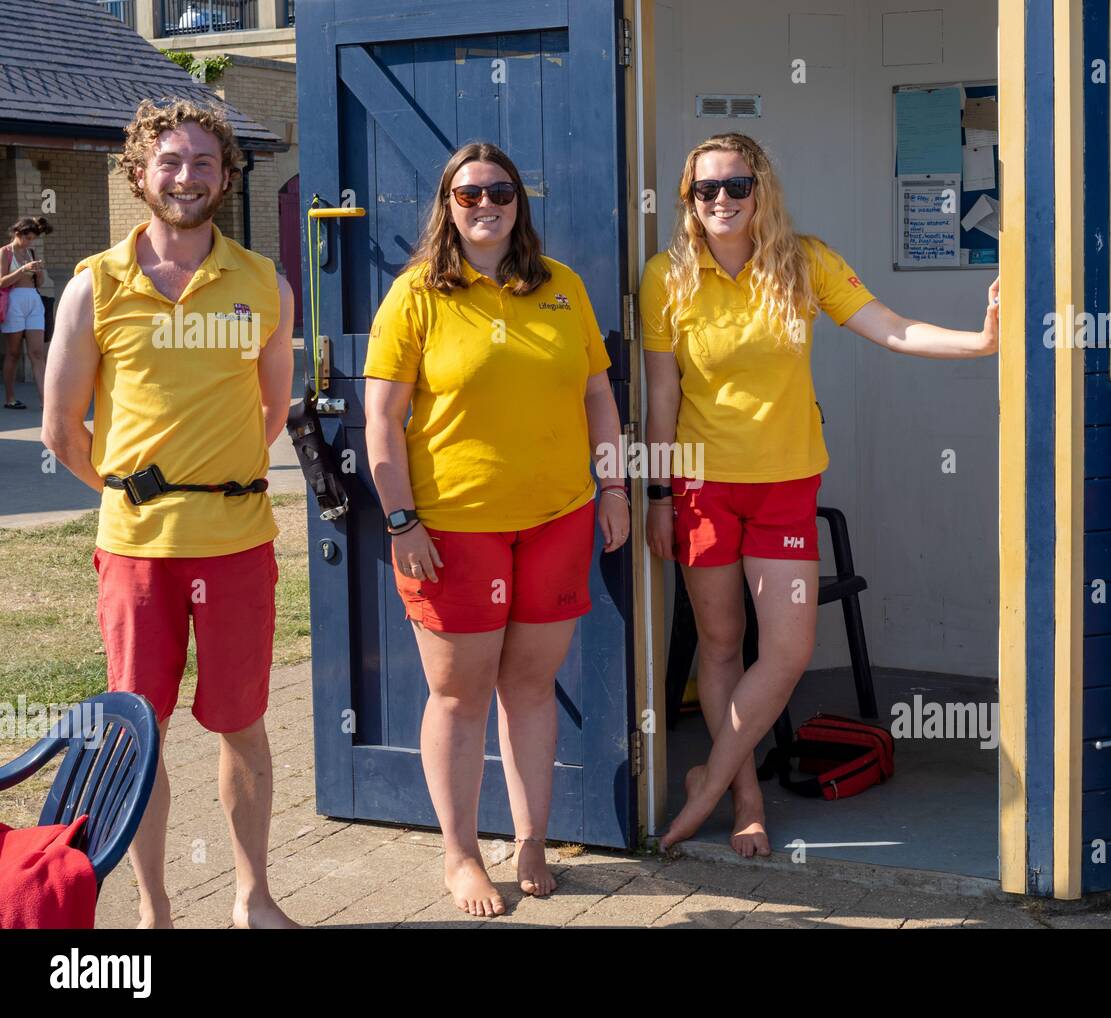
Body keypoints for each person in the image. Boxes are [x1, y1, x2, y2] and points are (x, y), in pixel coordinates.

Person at [641, 132, 999, 855]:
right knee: (719, 645)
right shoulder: (667, 274)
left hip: (784, 487)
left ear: (760, 188)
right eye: (703, 189)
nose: (719, 201)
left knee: (788, 650)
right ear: (688, 200)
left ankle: (707, 781)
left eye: (734, 185)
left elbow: (892, 329)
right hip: (702, 488)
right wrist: (655, 493)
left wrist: (980, 341)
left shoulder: (804, 263)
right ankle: (745, 799)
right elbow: (660, 391)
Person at [41, 99, 298, 928]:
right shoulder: (95, 284)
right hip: (137, 552)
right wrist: (133, 498)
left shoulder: (265, 284)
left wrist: (213, 485)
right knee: (135, 738)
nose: (186, 177)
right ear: (139, 172)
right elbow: (61, 428)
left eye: (202, 163)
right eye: (170, 161)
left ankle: (253, 897)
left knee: (245, 727)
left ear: (225, 176)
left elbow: (269, 413)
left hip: (237, 547)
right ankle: (155, 910)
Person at [364, 141, 629, 918]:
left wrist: (613, 485)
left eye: (501, 193)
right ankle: (460, 855)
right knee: (459, 694)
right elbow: (380, 420)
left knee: (531, 685)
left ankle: (533, 838)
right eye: (469, 193)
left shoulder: (562, 288)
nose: (486, 206)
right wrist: (402, 519)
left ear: (521, 203)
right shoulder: (416, 295)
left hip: (557, 518)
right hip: (452, 527)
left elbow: (598, 399)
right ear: (446, 205)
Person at [2, 215, 52, 409]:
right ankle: (10, 397)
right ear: (17, 233)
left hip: (33, 300)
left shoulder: (31, 252)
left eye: (32, 239)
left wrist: (39, 272)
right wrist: (22, 269)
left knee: (37, 353)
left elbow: (40, 283)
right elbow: (2, 282)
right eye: (27, 238)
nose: (30, 242)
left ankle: (45, 401)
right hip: (14, 301)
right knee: (13, 353)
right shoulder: (5, 253)